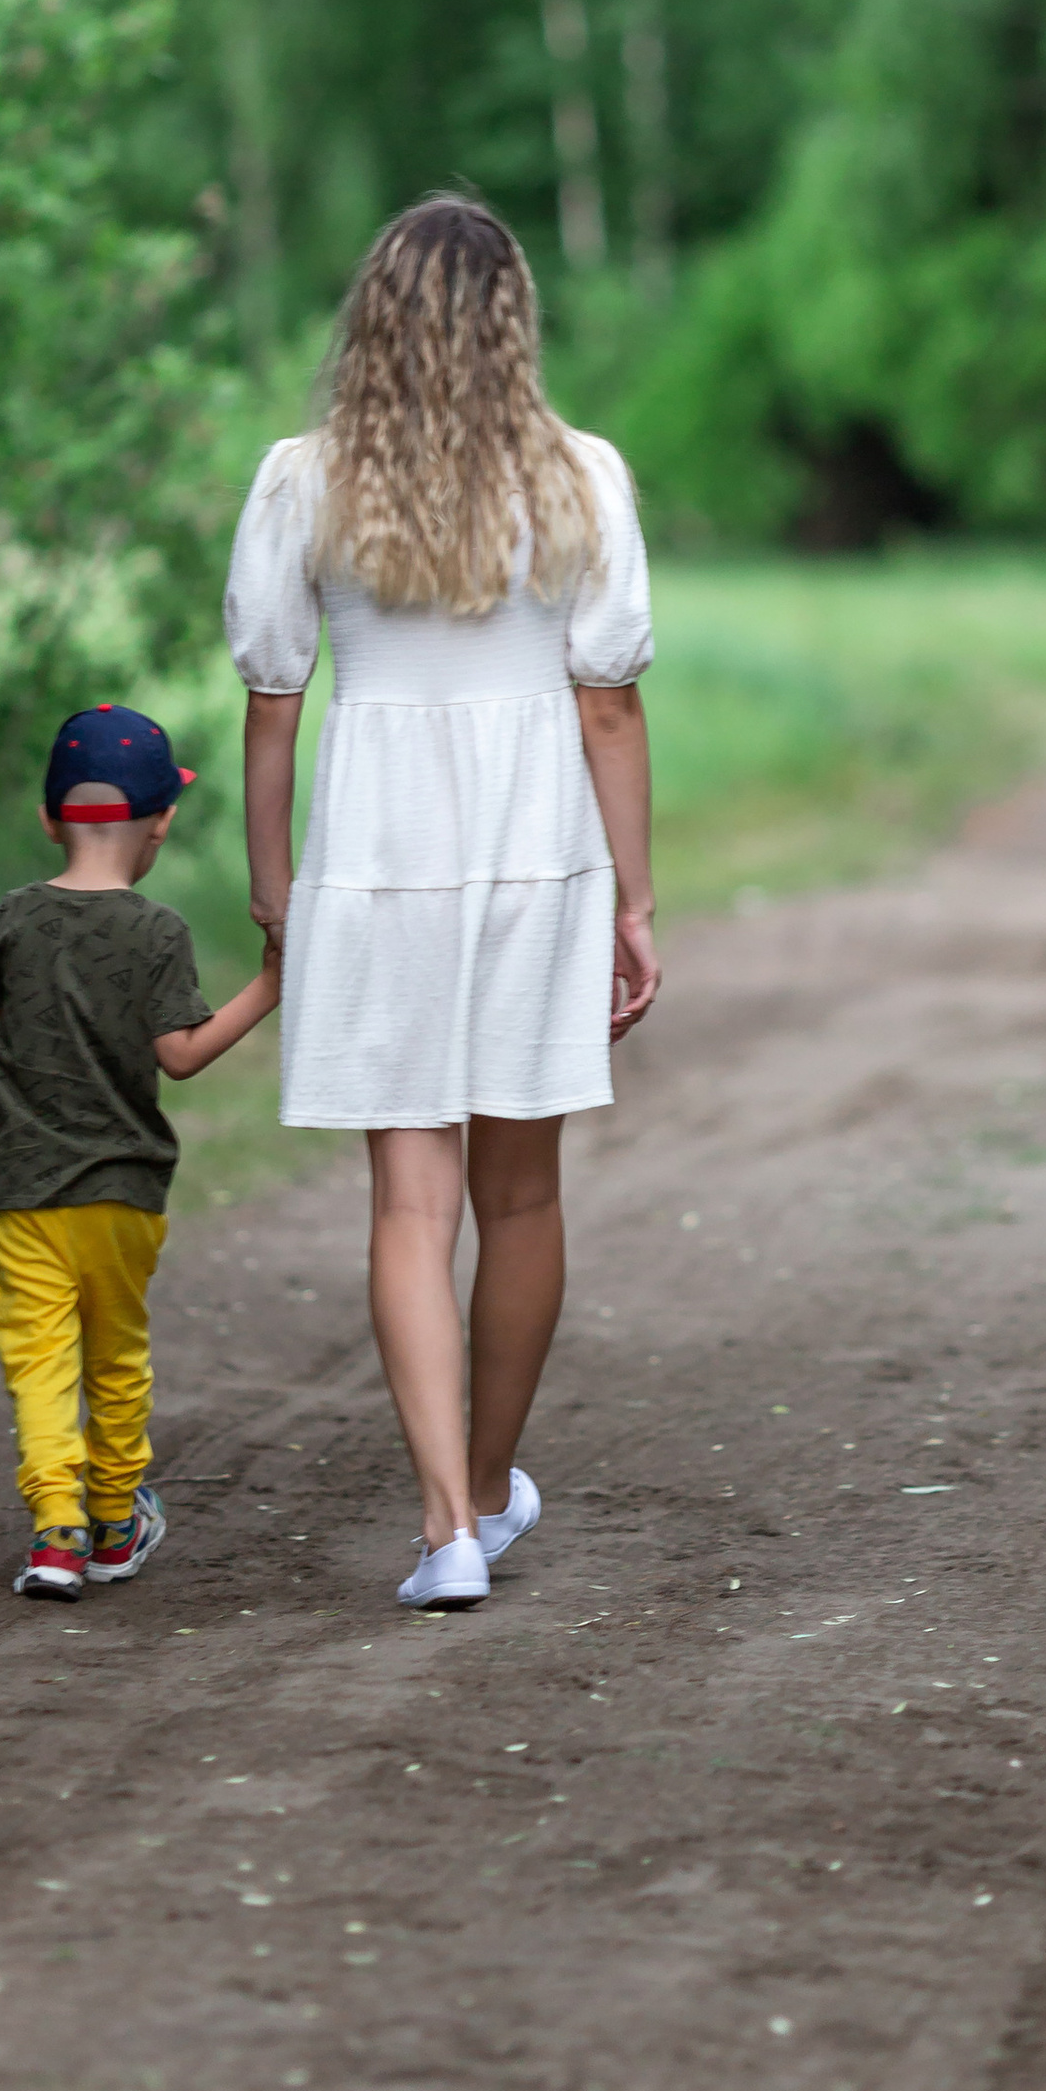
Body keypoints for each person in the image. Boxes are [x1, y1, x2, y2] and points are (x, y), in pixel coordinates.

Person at [225, 194, 658, 1612]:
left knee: (410, 1206)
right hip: (538, 857)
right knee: (520, 1195)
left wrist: (277, 891)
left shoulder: (305, 484)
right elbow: (608, 709)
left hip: (376, 859)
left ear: (375, 317)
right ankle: (484, 1484)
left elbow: (274, 705)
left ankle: (443, 1532)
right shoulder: (584, 479)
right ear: (516, 320)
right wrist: (636, 903)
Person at [0, 704, 281, 1602]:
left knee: (39, 1363)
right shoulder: (158, 932)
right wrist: (269, 984)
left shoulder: (14, 918)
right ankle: (114, 1520)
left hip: (20, 1190)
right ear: (162, 821)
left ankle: (56, 1533)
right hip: (121, 1194)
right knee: (114, 1356)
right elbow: (179, 1056)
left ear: (47, 818)